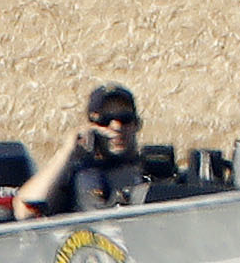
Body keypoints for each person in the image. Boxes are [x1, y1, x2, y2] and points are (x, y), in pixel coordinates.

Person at [14, 85, 154, 215]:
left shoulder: (152, 170)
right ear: (90, 127)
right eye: (105, 120)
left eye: (125, 119)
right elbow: (25, 211)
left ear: (137, 124)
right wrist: (67, 152)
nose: (116, 127)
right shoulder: (75, 175)